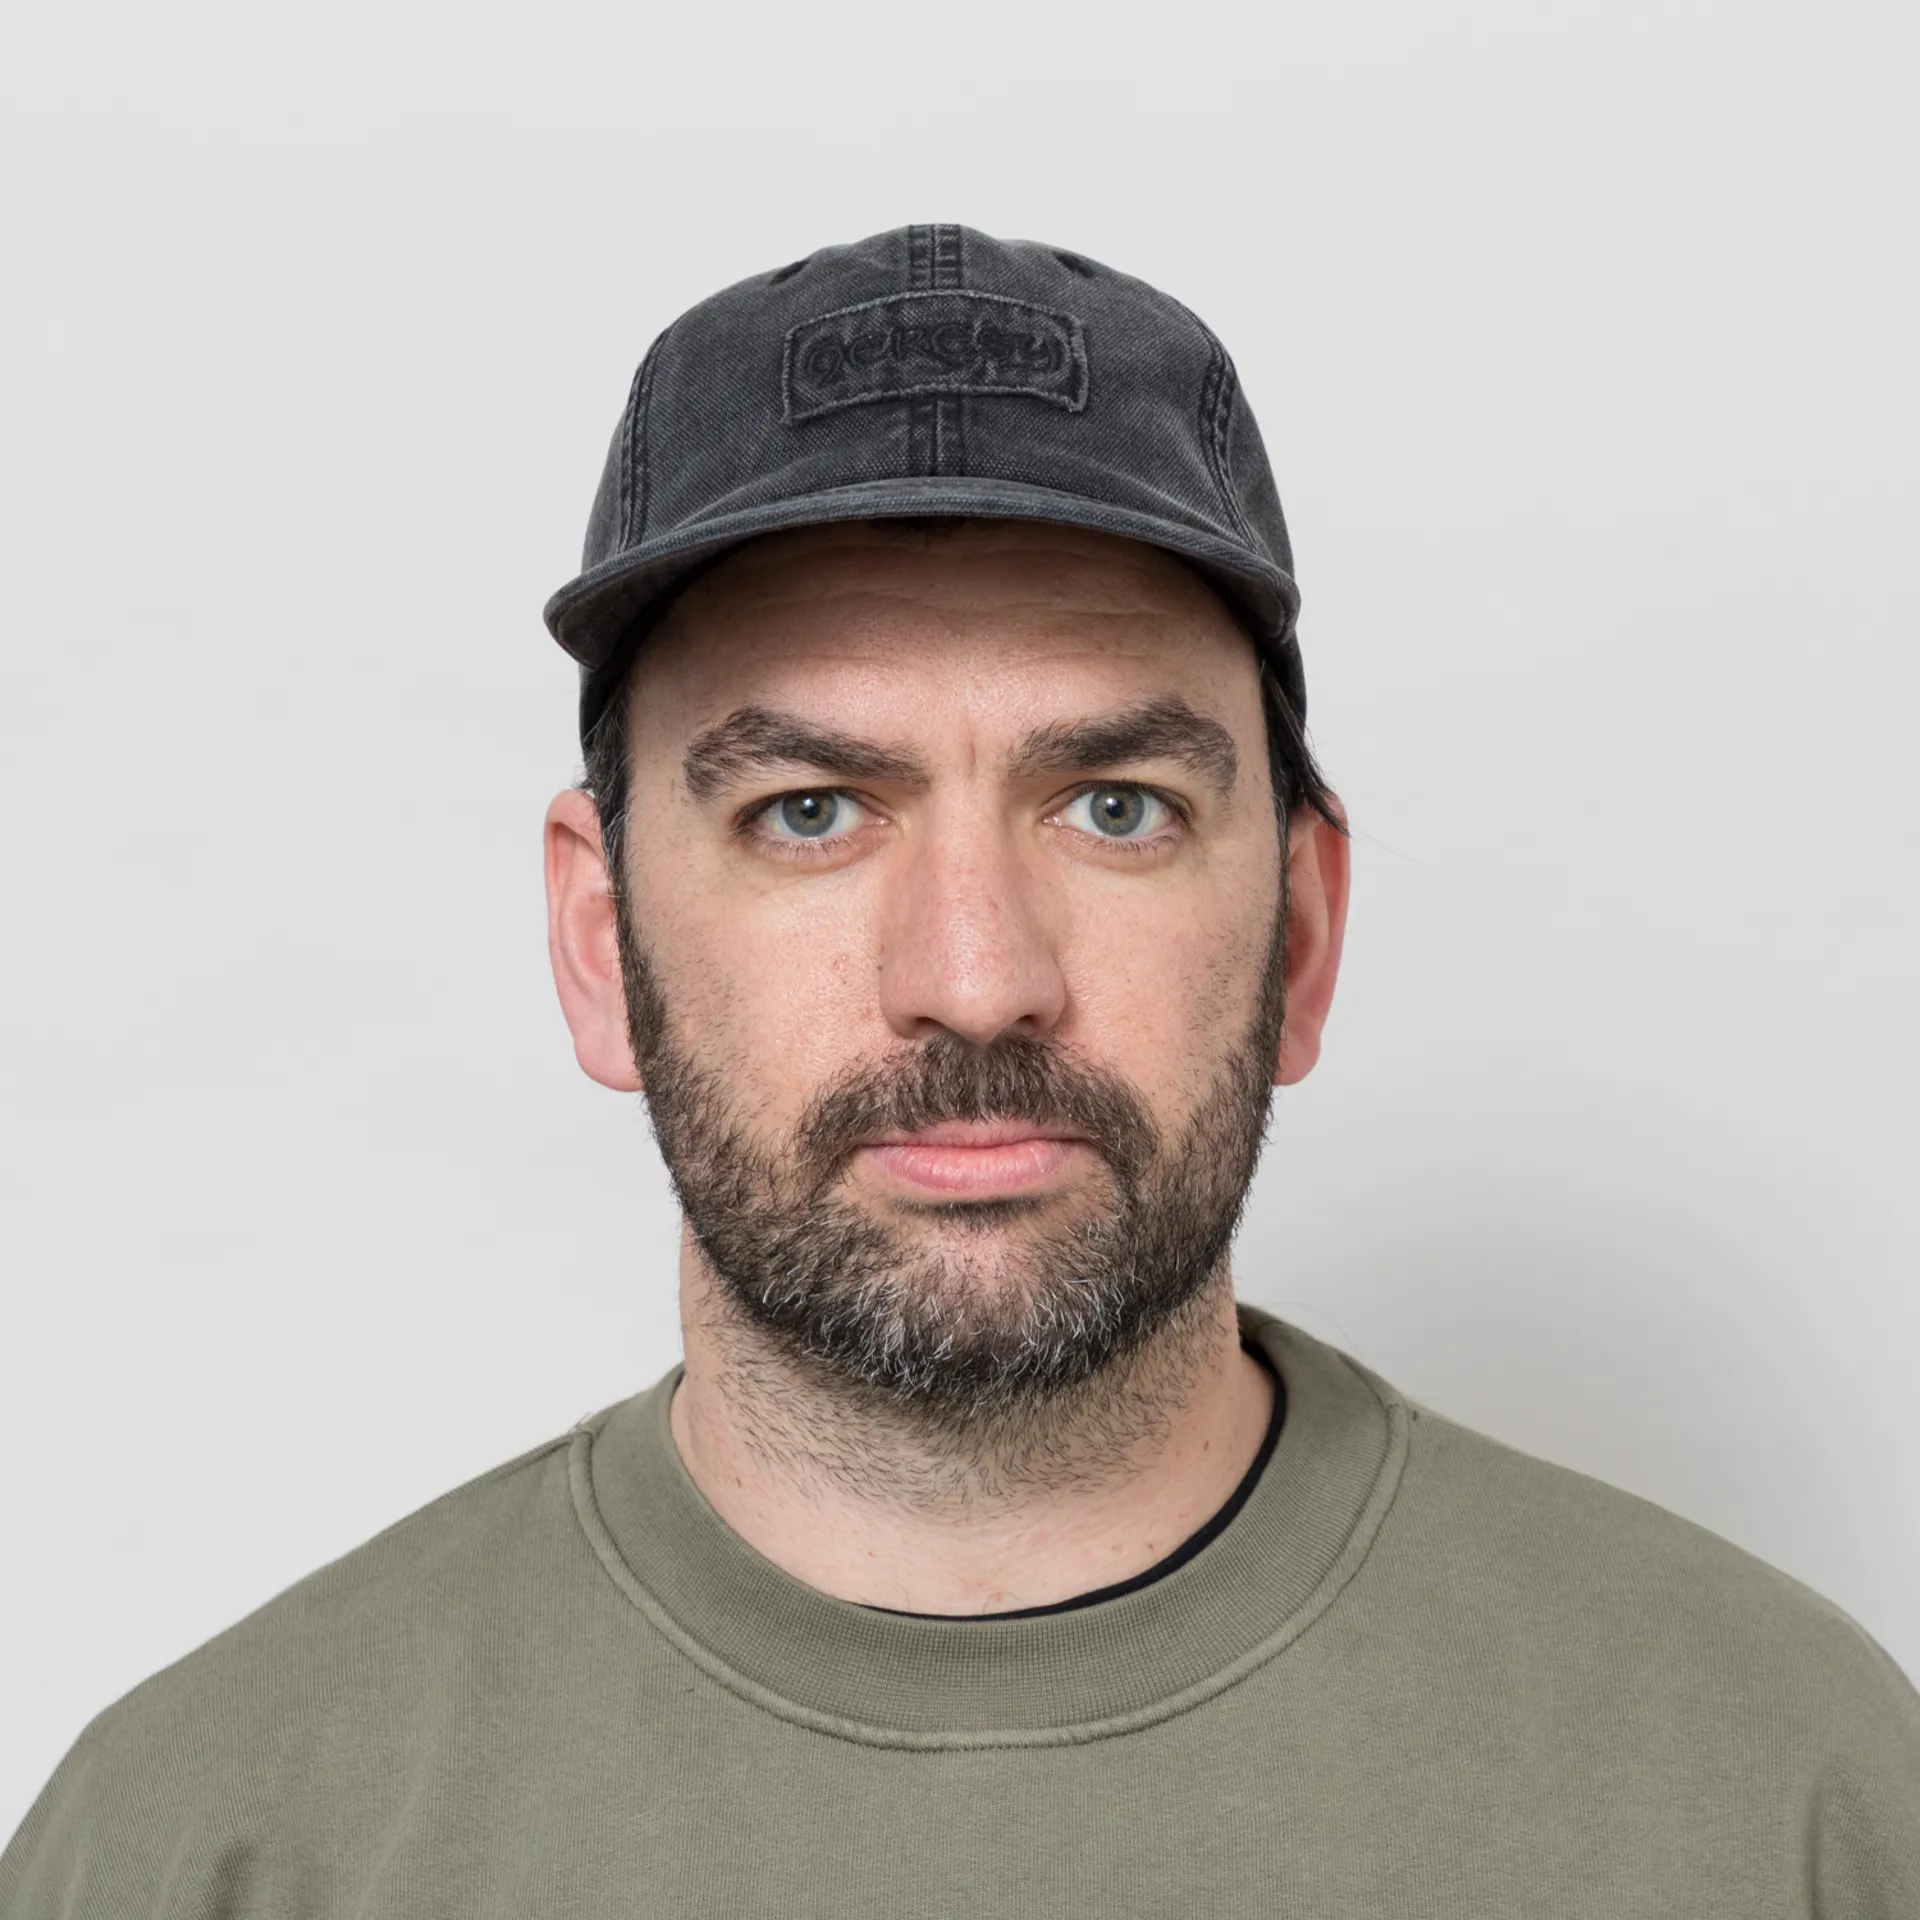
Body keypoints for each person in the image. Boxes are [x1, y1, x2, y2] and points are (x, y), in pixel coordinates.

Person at [3, 223, 1915, 1919]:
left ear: (1302, 934)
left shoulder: (1795, 1801)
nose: (978, 982)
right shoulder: (205, 1850)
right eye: (810, 810)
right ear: (600, 944)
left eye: (1116, 804)